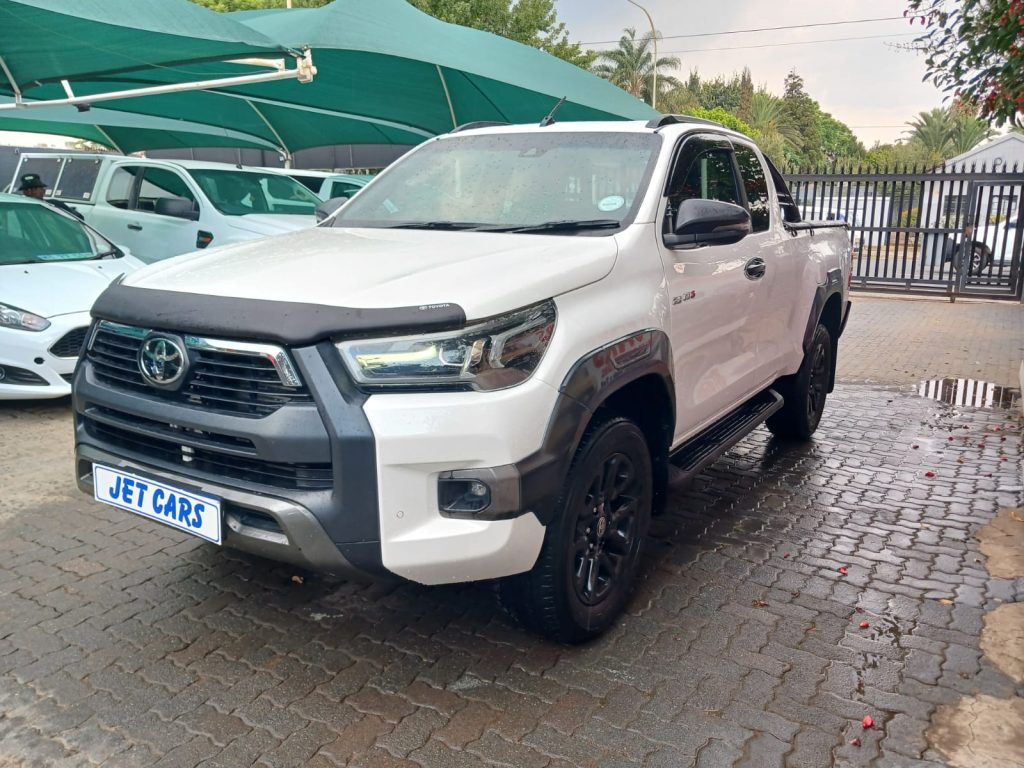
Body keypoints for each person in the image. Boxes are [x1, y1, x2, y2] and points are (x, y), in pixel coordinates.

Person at [18, 173, 84, 219]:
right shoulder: (19, 210)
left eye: (34, 188)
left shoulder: (54, 205)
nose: (30, 192)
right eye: (26, 189)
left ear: (43, 191)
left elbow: (79, 218)